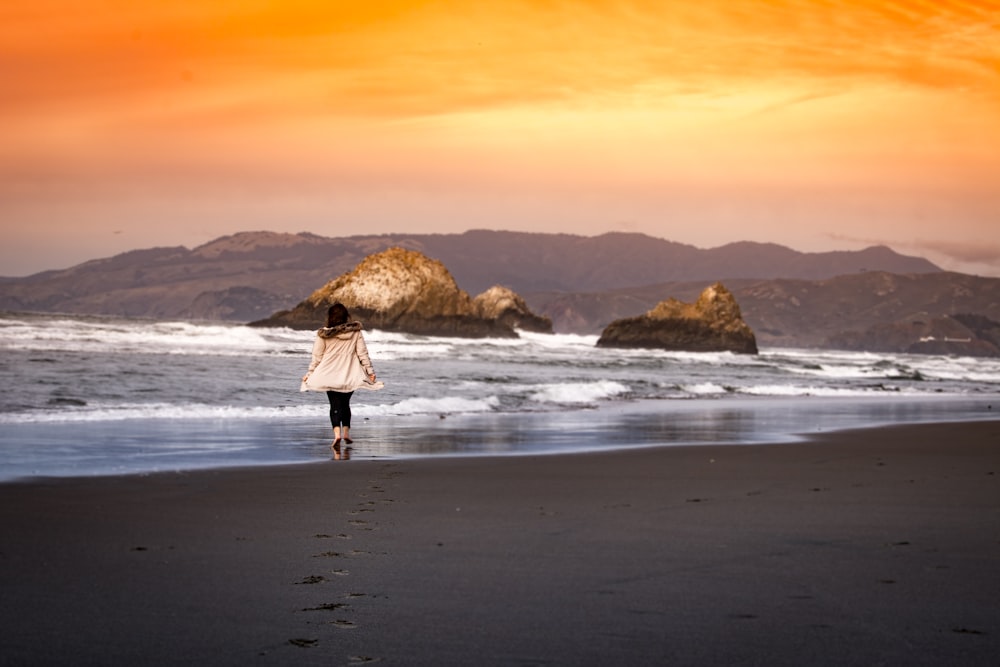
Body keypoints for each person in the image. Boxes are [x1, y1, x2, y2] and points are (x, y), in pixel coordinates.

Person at [301, 303, 384, 454]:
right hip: (350, 374)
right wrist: (370, 371)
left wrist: (310, 373)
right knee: (345, 404)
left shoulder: (323, 334)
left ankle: (337, 435)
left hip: (329, 374)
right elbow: (362, 354)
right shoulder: (356, 332)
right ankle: (346, 433)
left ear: (330, 317)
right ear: (346, 316)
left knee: (334, 405)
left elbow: (317, 357)